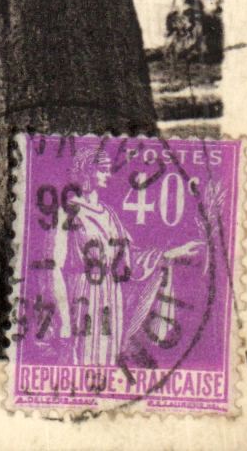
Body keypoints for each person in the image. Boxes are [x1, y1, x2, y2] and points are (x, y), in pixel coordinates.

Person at [50, 143, 203, 367]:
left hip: (111, 298)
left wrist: (171, 253)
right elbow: (55, 267)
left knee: (107, 362)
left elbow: (130, 257)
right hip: (81, 297)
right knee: (80, 361)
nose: (107, 174)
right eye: (102, 169)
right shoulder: (67, 211)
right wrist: (63, 318)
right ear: (87, 171)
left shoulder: (109, 214)